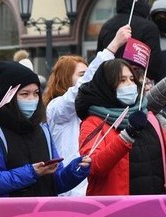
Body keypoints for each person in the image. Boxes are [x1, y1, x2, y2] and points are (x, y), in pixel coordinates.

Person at [0, 61, 90, 198]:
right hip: (5, 211)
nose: (32, 99)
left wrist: (75, 170)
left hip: (43, 210)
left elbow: (54, 183)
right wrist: (30, 172)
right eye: (24, 94)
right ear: (8, 96)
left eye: (36, 93)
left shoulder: (42, 127)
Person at [75, 59, 166, 195]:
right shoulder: (93, 123)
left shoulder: (148, 117)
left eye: (132, 79)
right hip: (115, 207)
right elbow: (94, 167)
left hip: (157, 205)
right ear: (106, 86)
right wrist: (127, 135)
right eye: (122, 80)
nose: (130, 84)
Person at [44, 25, 131, 196]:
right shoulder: (56, 108)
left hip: (94, 190)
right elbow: (79, 90)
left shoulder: (96, 110)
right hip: (71, 193)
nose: (88, 79)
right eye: (82, 75)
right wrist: (112, 47)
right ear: (65, 78)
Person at [96, 0, 162, 82]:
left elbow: (99, 59)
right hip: (137, 83)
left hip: (109, 82)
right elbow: (154, 64)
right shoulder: (149, 28)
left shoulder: (106, 26)